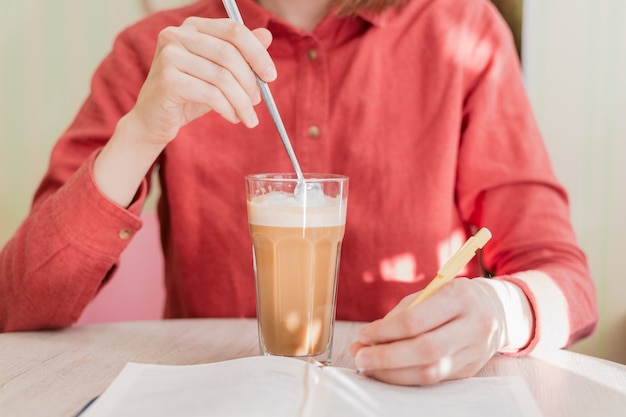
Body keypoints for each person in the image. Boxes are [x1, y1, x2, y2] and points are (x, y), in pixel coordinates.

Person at [0, 0, 597, 386]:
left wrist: (500, 311)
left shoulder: (464, 32)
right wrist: (140, 132)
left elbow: (563, 278)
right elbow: (18, 305)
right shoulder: (161, 51)